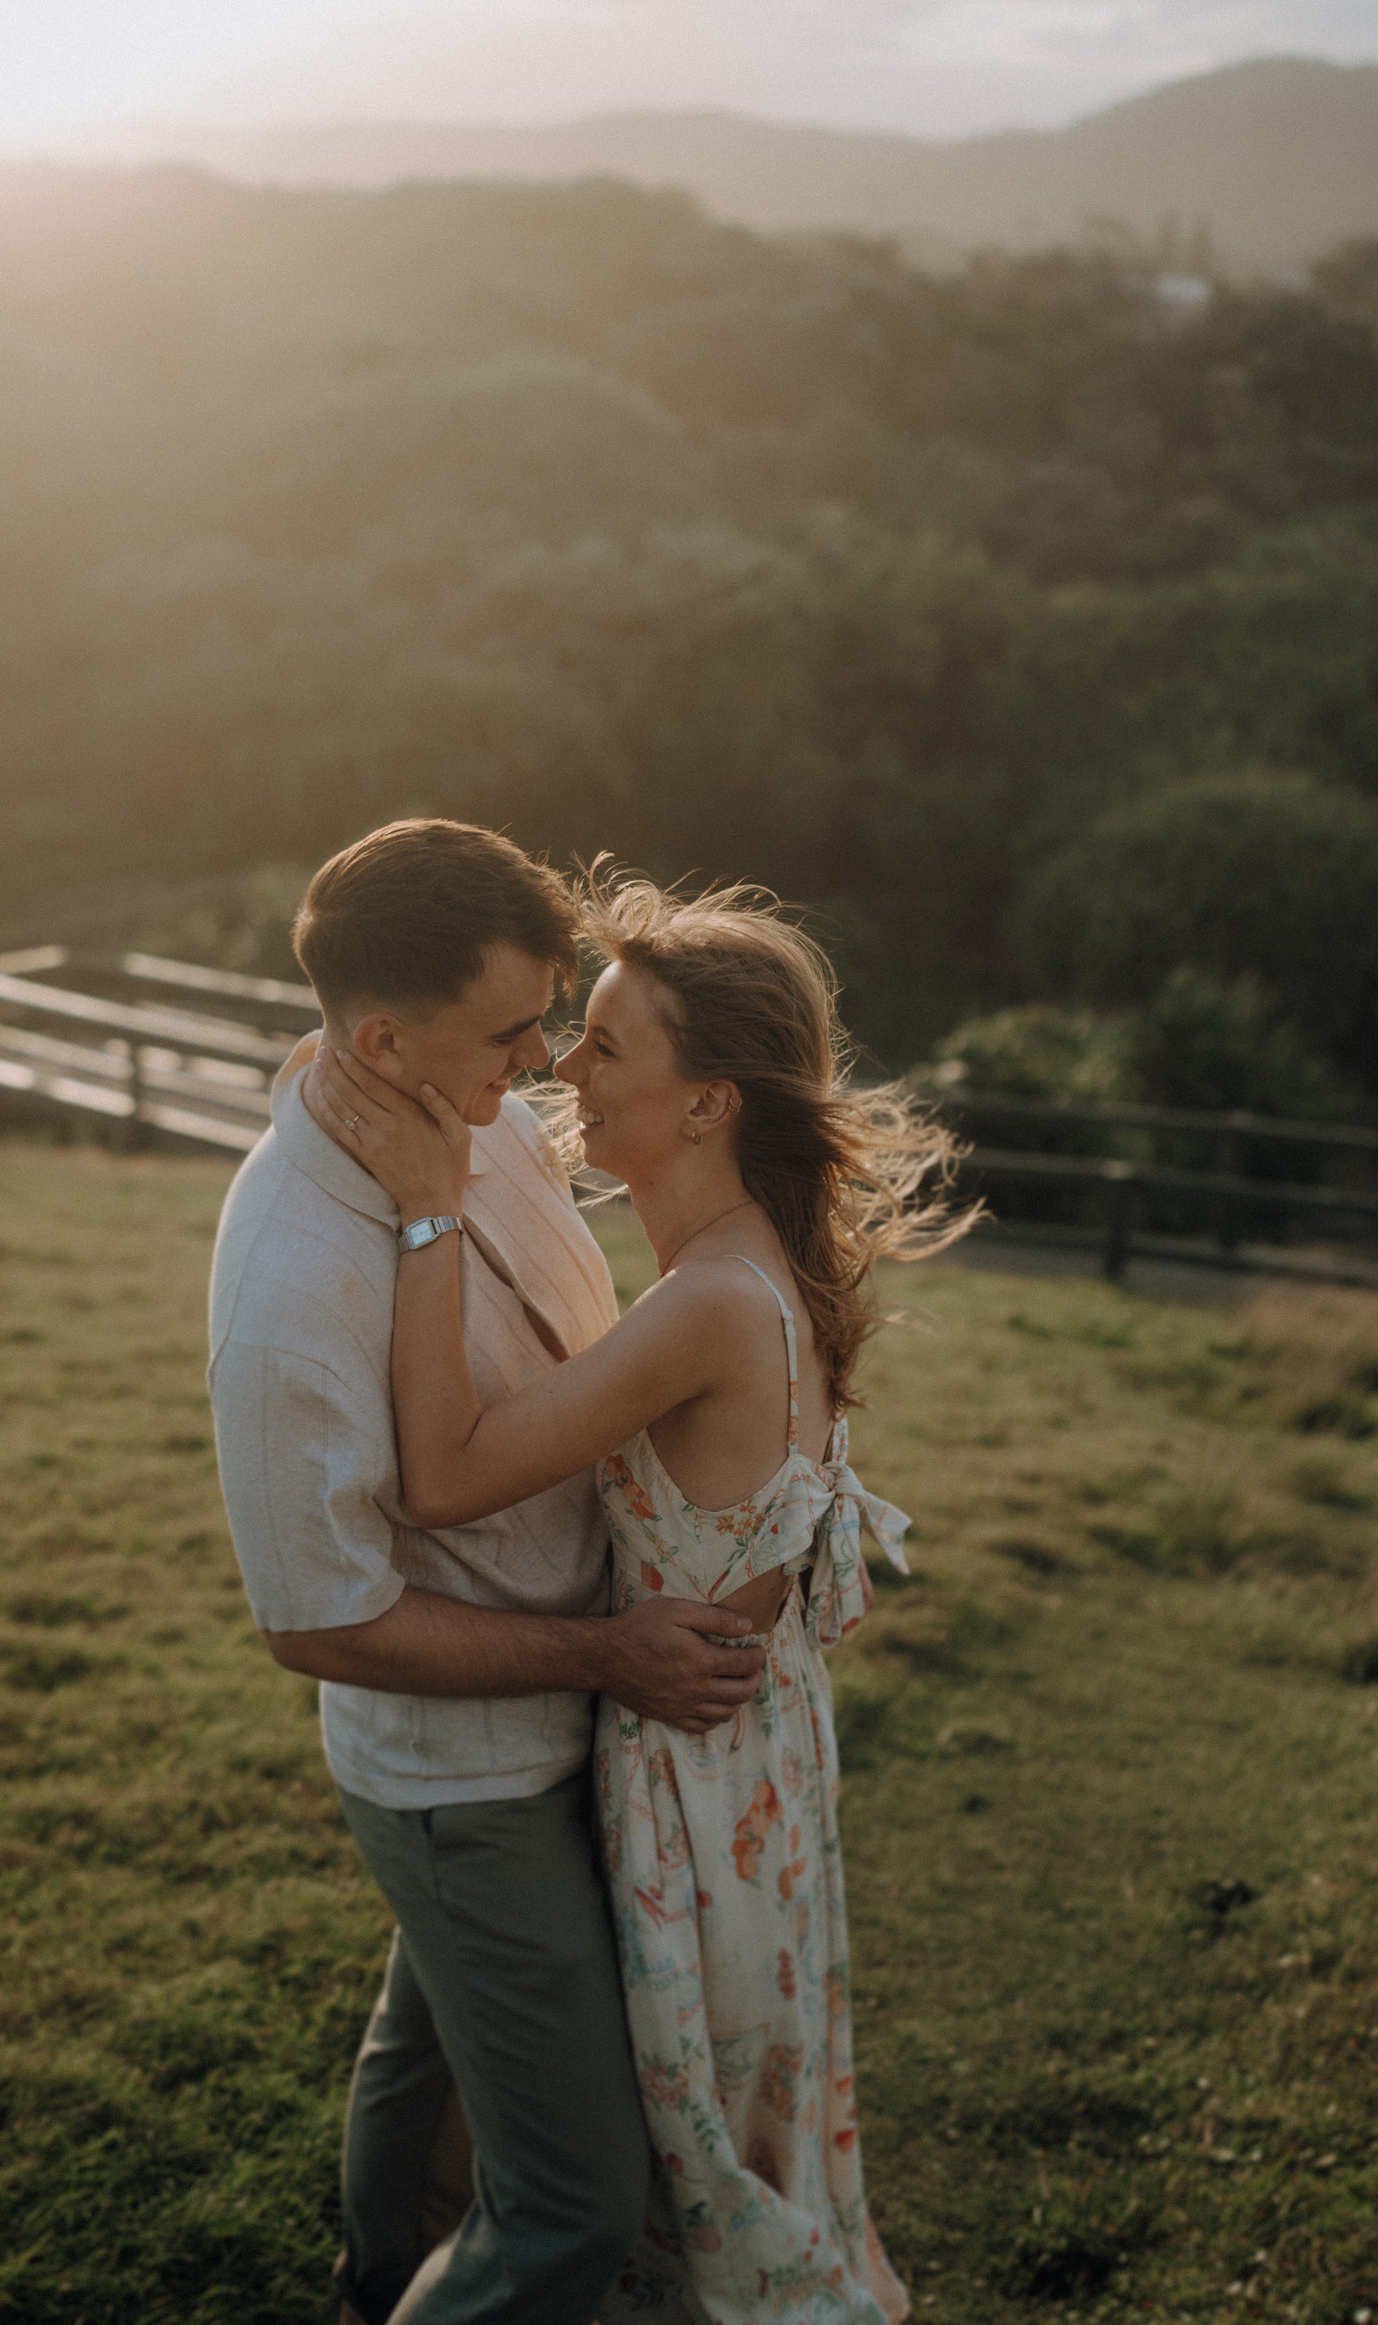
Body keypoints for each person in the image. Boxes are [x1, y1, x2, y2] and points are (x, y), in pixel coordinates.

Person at [307, 873, 970, 2325]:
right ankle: (384, 2274)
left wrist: (428, 1214)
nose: (562, 1066)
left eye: (607, 1045)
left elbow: (446, 1473)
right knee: (561, 2095)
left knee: (676, 2162)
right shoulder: (736, 1270)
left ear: (709, 1102)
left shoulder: (710, 1303)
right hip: (748, 1764)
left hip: (694, 1786)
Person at [207, 821, 767, 2325]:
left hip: (568, 1728)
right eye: (515, 1031)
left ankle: (377, 2281)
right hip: (469, 1782)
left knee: (430, 2043)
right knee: (576, 2202)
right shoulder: (291, 1283)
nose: (548, 1062)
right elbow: (321, 1620)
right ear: (384, 1040)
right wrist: (607, 1656)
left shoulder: (487, 1115)